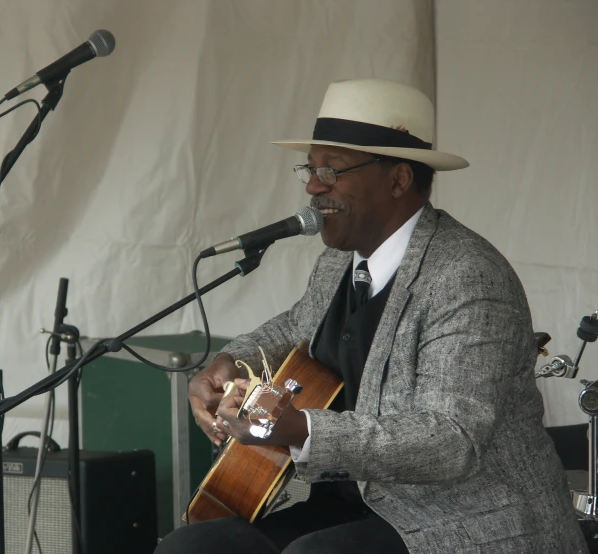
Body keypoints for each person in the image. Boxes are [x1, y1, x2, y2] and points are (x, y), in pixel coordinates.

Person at [155, 79, 587, 553]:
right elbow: (300, 325)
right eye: (311, 168)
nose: (313, 186)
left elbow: (451, 440)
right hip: (364, 501)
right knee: (193, 547)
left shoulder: (467, 277)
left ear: (399, 179)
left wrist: (303, 429)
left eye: (332, 170)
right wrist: (231, 362)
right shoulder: (340, 260)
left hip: (468, 518)